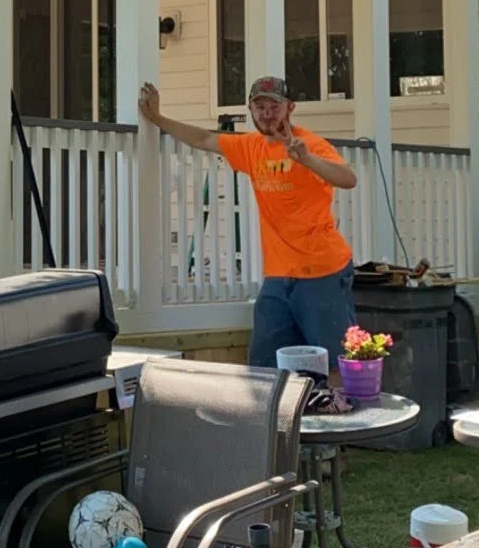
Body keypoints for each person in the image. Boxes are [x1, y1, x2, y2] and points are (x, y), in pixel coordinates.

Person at [138, 72, 359, 374]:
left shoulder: (310, 145)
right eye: (260, 108)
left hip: (322, 270)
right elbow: (204, 138)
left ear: (290, 108)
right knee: (265, 366)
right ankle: (277, 421)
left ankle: (346, 417)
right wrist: (157, 118)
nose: (267, 115)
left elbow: (348, 179)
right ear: (251, 110)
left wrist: (307, 160)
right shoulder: (250, 147)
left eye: (275, 107)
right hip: (278, 276)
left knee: (336, 364)